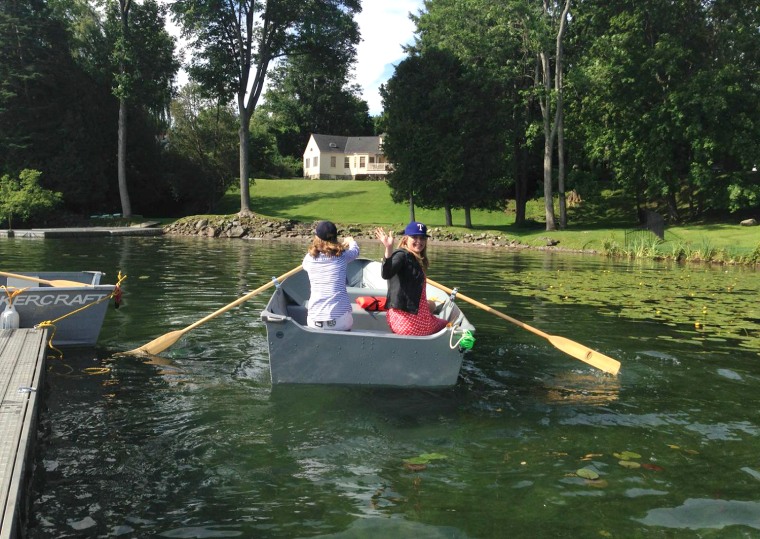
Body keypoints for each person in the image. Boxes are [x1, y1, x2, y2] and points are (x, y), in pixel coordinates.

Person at [375, 221, 449, 336]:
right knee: (448, 325)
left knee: (431, 306)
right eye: (414, 237)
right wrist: (388, 249)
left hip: (399, 320)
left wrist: (430, 306)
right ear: (405, 239)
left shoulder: (415, 259)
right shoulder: (401, 255)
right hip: (411, 324)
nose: (419, 241)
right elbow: (386, 273)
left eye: (422, 238)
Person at [302, 220, 360, 331]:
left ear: (316, 237)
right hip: (340, 322)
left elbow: (305, 266)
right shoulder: (343, 256)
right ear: (335, 237)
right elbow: (355, 251)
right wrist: (351, 241)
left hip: (315, 321)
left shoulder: (309, 259)